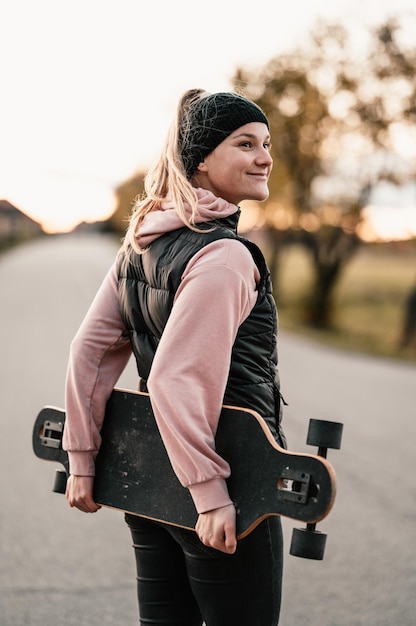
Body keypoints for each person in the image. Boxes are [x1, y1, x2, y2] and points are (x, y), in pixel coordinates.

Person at [63, 88, 287, 626]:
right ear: (202, 160)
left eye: (267, 143)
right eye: (246, 144)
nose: (265, 157)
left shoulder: (141, 243)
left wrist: (83, 462)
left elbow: (88, 353)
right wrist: (211, 494)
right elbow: (174, 378)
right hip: (227, 476)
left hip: (150, 482)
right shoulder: (226, 255)